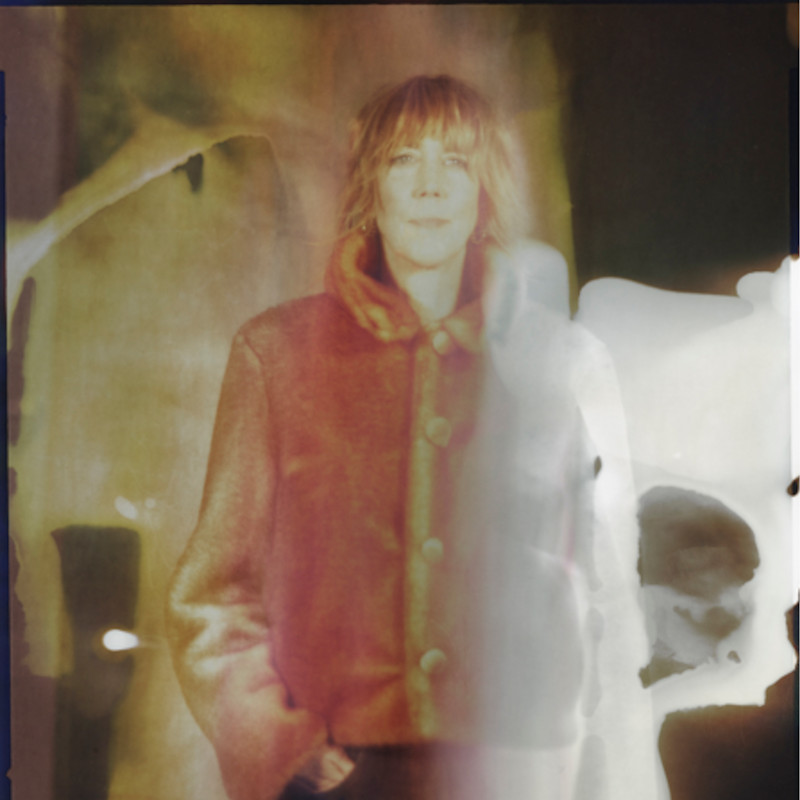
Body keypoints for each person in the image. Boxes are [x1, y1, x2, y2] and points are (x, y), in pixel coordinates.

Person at [166, 75, 649, 800]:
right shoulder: (278, 356)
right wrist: (281, 743)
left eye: (455, 162)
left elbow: (605, 590)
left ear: (482, 192)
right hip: (339, 778)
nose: (430, 186)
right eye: (402, 160)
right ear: (371, 188)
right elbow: (214, 596)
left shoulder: (558, 362)